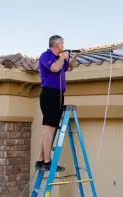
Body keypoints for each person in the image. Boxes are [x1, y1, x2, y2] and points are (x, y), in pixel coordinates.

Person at [35, 35, 79, 172]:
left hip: (58, 95)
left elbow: (69, 68)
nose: (64, 47)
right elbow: (54, 68)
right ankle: (47, 162)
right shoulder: (46, 56)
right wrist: (62, 57)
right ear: (57, 44)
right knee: (49, 129)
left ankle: (40, 159)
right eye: (63, 44)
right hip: (49, 94)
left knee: (51, 128)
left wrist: (74, 58)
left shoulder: (58, 58)